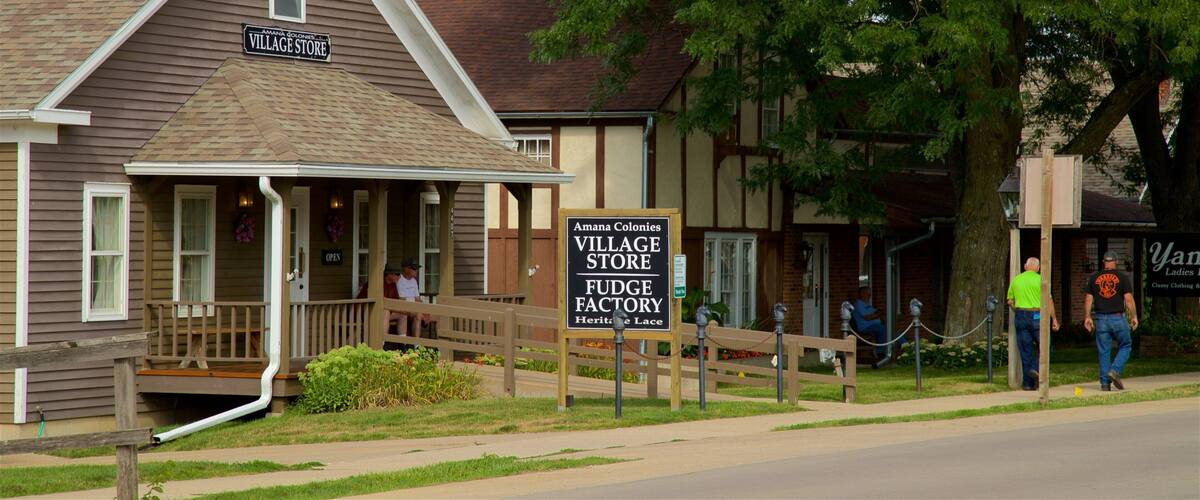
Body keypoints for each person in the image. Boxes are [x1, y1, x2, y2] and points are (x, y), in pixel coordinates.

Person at [1083, 250, 1137, 391]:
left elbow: (1088, 299)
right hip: (1118, 318)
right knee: (1126, 345)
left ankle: (1105, 384)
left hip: (1101, 319)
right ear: (1116, 262)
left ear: (1103, 262)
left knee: (1103, 351)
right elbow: (1128, 299)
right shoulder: (1122, 278)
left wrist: (1087, 317)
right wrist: (1134, 316)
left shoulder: (1094, 278)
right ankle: (1115, 370)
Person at [1006, 257, 1060, 391]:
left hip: (1021, 315)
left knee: (1026, 350)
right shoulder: (1042, 280)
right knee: (1045, 345)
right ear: (1038, 268)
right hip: (1037, 315)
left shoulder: (1016, 280)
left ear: (1025, 266)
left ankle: (1028, 384)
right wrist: (1054, 318)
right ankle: (1035, 368)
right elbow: (1048, 301)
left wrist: (1017, 309)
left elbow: (1010, 301)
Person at [852, 286, 904, 367]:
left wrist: (880, 314)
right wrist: (878, 314)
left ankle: (905, 345)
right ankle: (880, 353)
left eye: (870, 293)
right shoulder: (858, 304)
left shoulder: (867, 304)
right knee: (884, 329)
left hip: (876, 325)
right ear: (862, 293)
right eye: (867, 293)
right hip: (865, 327)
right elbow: (867, 317)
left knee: (891, 328)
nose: (869, 295)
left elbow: (878, 312)